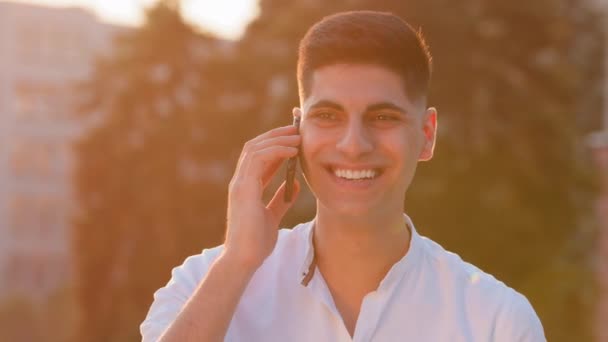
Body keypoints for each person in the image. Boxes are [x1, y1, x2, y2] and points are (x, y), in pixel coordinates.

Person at [140, 10, 546, 342]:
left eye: (383, 117)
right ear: (297, 130)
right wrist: (238, 262)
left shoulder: (497, 322)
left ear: (426, 135)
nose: (353, 144)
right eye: (328, 116)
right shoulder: (203, 284)